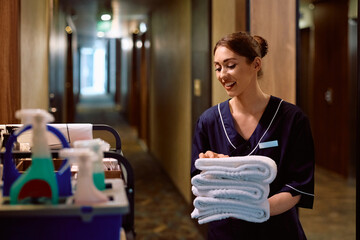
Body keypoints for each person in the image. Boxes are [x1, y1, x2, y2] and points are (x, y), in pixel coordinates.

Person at [191, 31, 315, 239]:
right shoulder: (209, 121)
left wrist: (257, 209)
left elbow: (298, 186)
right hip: (226, 232)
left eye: (231, 65)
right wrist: (212, 168)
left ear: (256, 64)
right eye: (218, 67)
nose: (222, 75)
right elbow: (199, 182)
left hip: (278, 231)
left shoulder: (292, 119)